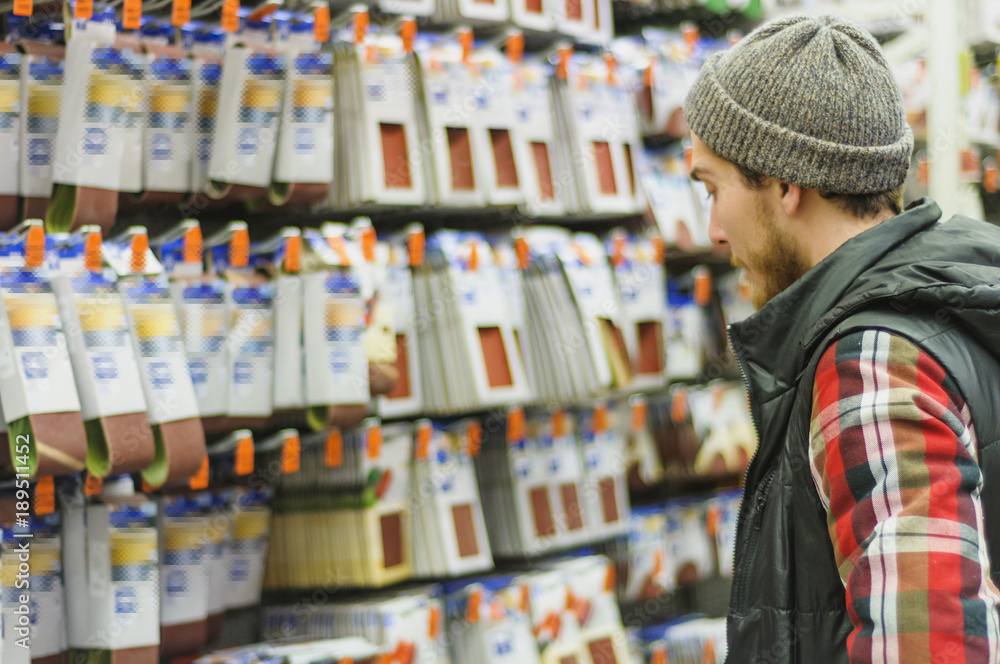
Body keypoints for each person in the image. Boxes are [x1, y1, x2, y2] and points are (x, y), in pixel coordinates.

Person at [683, 13, 1000, 664]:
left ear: (784, 184)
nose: (713, 230)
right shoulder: (944, 306)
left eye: (714, 189)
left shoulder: (875, 362)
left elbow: (928, 647)